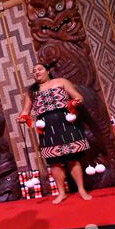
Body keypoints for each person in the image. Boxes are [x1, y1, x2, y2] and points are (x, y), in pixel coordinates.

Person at [17, 63, 92, 204]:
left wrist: (75, 102)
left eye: (39, 69)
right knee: (54, 162)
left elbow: (78, 97)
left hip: (66, 123)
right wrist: (22, 117)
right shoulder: (32, 91)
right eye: (34, 71)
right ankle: (61, 192)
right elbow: (25, 110)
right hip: (46, 128)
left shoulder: (61, 82)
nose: (36, 72)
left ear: (48, 71)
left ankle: (81, 189)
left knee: (72, 158)